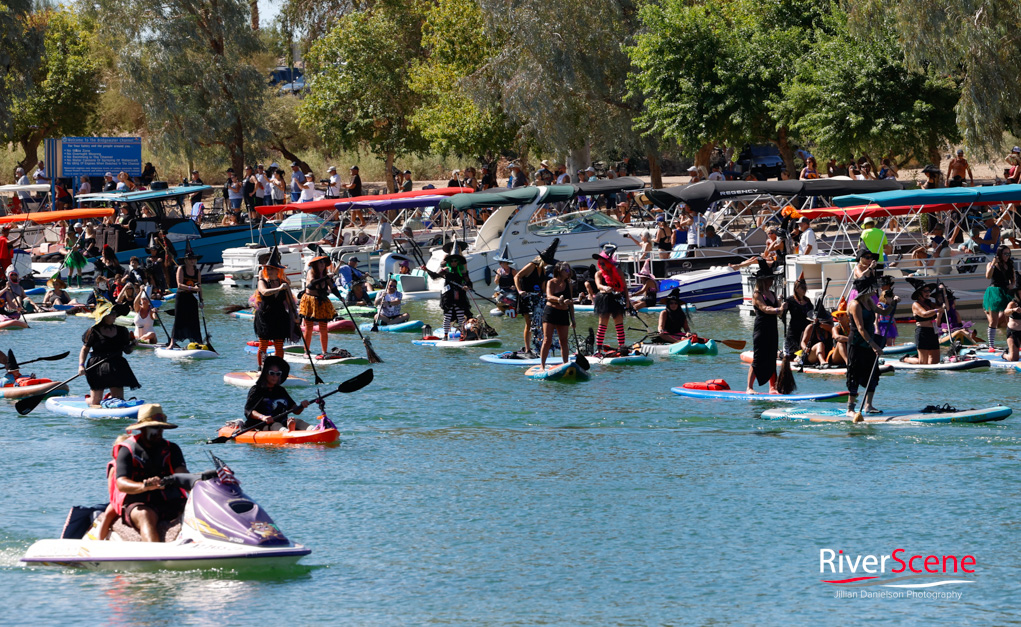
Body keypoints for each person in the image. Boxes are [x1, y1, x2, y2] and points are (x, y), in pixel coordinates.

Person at [112, 405, 189, 542]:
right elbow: (121, 483)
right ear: (142, 428)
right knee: (145, 515)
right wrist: (145, 486)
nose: (159, 432)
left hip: (171, 501)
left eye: (161, 428)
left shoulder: (172, 448)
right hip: (139, 503)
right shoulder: (127, 450)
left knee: (195, 509)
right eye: (154, 427)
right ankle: (155, 552)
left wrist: (198, 486)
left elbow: (182, 474)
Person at [79, 300, 139, 406]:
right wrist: (81, 366)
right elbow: (85, 349)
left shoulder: (122, 330)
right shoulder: (93, 331)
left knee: (119, 399)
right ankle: (88, 399)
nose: (114, 316)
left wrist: (133, 345)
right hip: (97, 366)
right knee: (95, 402)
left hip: (117, 365)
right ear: (103, 316)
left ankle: (111, 398)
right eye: (111, 313)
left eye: (115, 313)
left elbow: (127, 351)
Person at [239, 356, 313, 433]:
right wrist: (262, 417)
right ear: (265, 373)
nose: (275, 376)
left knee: (297, 421)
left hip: (283, 423)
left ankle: (314, 429)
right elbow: (249, 411)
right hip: (263, 425)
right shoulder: (256, 390)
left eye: (278, 374)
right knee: (275, 425)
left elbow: (295, 411)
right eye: (272, 373)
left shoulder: (281, 390)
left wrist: (302, 406)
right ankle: (287, 432)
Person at [845, 276, 885, 419]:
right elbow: (860, 328)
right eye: (873, 288)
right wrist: (874, 346)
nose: (875, 290)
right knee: (855, 374)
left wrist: (892, 303)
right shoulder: (855, 304)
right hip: (857, 343)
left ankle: (869, 405)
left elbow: (883, 313)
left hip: (869, 342)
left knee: (872, 373)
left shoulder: (868, 301)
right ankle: (850, 408)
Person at [253, 250, 298, 367]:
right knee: (263, 344)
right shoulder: (262, 281)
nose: (269, 271)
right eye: (268, 269)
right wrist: (279, 289)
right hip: (265, 316)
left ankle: (278, 368)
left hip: (280, 316)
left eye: (272, 269)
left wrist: (296, 316)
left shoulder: (284, 283)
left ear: (278, 270)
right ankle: (261, 367)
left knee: (279, 345)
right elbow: (264, 291)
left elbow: (290, 302)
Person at [747, 260, 786, 393]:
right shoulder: (757, 295)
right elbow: (765, 308)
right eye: (770, 279)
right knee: (758, 358)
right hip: (761, 329)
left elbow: (779, 311)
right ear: (763, 280)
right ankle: (749, 387)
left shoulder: (773, 294)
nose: (772, 281)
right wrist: (779, 309)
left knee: (771, 357)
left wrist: (783, 307)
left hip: (772, 329)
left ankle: (772, 387)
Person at [514, 240, 559, 354]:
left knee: (539, 322)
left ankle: (540, 345)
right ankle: (527, 348)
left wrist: (549, 296)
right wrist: (520, 291)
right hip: (526, 298)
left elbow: (543, 286)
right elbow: (517, 276)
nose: (548, 264)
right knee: (529, 322)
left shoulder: (543, 269)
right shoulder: (531, 266)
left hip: (537, 298)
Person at [423, 242, 474, 341]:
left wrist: (467, 287)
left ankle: (463, 334)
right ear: (449, 261)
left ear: (458, 262)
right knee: (447, 316)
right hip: (448, 296)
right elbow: (435, 276)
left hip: (460, 295)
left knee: (461, 316)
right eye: (452, 261)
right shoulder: (446, 270)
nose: (453, 262)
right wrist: (427, 270)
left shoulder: (463, 271)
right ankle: (445, 335)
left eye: (455, 261)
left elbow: (469, 282)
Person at [591, 247, 628, 355]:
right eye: (600, 263)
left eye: (603, 263)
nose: (601, 265)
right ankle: (598, 350)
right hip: (604, 299)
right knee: (602, 325)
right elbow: (598, 285)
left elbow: (624, 287)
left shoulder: (618, 271)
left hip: (617, 298)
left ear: (609, 263)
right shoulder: (599, 274)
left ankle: (621, 348)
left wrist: (628, 302)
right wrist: (605, 288)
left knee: (619, 325)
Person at [539, 261, 576, 369]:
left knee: (563, 341)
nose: (568, 272)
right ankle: (542, 366)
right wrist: (559, 299)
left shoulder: (569, 284)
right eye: (566, 270)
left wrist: (573, 319)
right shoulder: (551, 282)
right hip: (551, 312)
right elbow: (549, 296)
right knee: (547, 340)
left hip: (563, 313)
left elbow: (571, 302)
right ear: (559, 270)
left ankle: (565, 364)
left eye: (569, 270)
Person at [168, 250, 203, 349]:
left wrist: (201, 300)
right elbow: (179, 285)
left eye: (194, 259)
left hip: (193, 298)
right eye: (190, 259)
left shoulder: (197, 271)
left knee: (194, 321)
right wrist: (192, 288)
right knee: (179, 320)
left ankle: (198, 342)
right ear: (186, 260)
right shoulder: (181, 269)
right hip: (182, 297)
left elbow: (199, 287)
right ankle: (172, 343)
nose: (192, 261)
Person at [983, 245, 1016, 350]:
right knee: (994, 321)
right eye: (1005, 254)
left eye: (1008, 254)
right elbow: (988, 276)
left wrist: (1012, 285)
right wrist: (993, 263)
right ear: (1000, 254)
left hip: (1006, 292)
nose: (1007, 256)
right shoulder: (991, 264)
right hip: (994, 292)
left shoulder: (1010, 265)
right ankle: (991, 345)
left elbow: (1013, 280)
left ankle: (1012, 343)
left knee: (1009, 319)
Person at [901, 278, 941, 364]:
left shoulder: (930, 303)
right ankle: (906, 359)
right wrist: (937, 310)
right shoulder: (916, 304)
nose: (928, 293)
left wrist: (943, 295)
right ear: (919, 293)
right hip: (923, 332)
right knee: (923, 362)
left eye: (929, 291)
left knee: (935, 362)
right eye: (925, 291)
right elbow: (924, 314)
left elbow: (944, 308)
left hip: (933, 332)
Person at [783, 275, 813, 358]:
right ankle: (782, 354)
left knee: (805, 353)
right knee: (793, 354)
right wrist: (782, 308)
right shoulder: (790, 300)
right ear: (796, 289)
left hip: (805, 331)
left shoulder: (807, 301)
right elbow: (782, 316)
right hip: (794, 332)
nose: (804, 290)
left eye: (805, 287)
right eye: (802, 288)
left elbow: (812, 313)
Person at [874, 276, 900, 347]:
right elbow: (876, 318)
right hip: (882, 325)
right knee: (883, 341)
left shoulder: (891, 300)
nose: (881, 287)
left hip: (890, 324)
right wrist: (877, 328)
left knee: (889, 342)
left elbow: (892, 317)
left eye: (882, 285)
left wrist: (895, 327)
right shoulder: (880, 305)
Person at [492, 249, 517, 314]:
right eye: (499, 262)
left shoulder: (513, 271)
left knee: (511, 299)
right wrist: (498, 277)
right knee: (498, 298)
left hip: (511, 290)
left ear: (506, 263)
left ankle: (511, 307)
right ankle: (502, 308)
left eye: (501, 262)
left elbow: (518, 280)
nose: (500, 264)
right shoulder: (499, 270)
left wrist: (514, 286)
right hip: (502, 289)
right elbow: (496, 282)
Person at [1004, 274, 1021, 362]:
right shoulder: (1013, 303)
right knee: (1014, 358)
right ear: (1017, 292)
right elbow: (1006, 312)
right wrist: (1013, 310)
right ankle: (1004, 354)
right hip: (1013, 332)